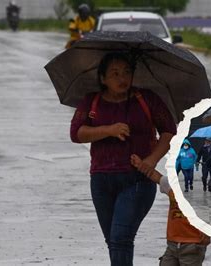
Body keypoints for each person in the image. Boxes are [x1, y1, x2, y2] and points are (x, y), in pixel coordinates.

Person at [70, 52, 176, 266]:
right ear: (102, 78)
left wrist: (152, 160)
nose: (122, 78)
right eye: (115, 73)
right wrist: (108, 130)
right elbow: (76, 133)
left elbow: (169, 131)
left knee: (120, 239)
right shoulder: (92, 101)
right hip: (101, 180)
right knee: (113, 240)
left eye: (127, 72)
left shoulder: (146, 99)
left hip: (137, 181)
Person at [131, 154, 210, 266]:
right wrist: (140, 165)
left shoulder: (200, 199)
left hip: (192, 246)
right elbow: (155, 176)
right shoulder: (172, 188)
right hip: (172, 245)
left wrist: (205, 237)